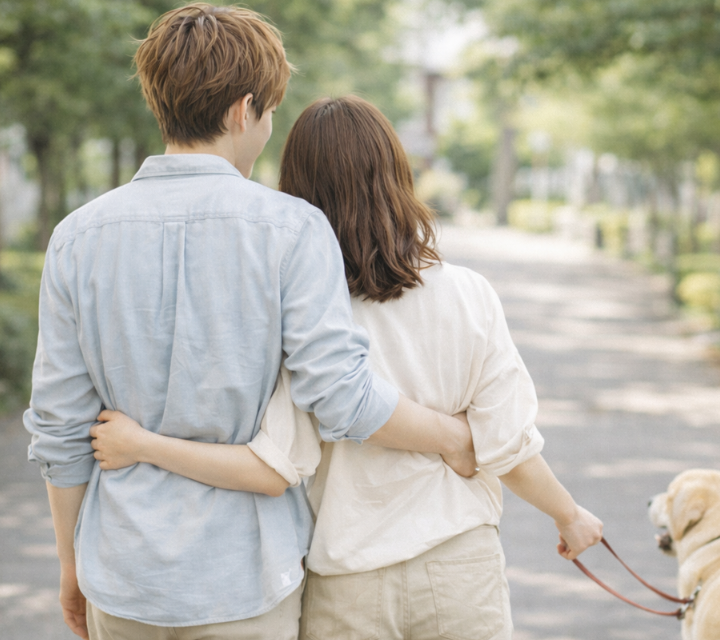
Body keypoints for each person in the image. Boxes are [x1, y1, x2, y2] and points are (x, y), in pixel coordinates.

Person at [23, 7, 475, 640]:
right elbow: (339, 396)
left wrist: (71, 567)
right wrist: (451, 437)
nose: (267, 130)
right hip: (244, 581)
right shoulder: (290, 228)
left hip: (121, 576)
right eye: (268, 114)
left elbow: (60, 427)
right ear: (243, 110)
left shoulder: (76, 237)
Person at [92, 95, 604, 639]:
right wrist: (567, 514)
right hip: (459, 565)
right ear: (397, 176)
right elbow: (507, 443)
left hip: (346, 581)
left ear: (299, 193)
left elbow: (278, 460)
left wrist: (142, 445)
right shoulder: (467, 294)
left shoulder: (299, 315)